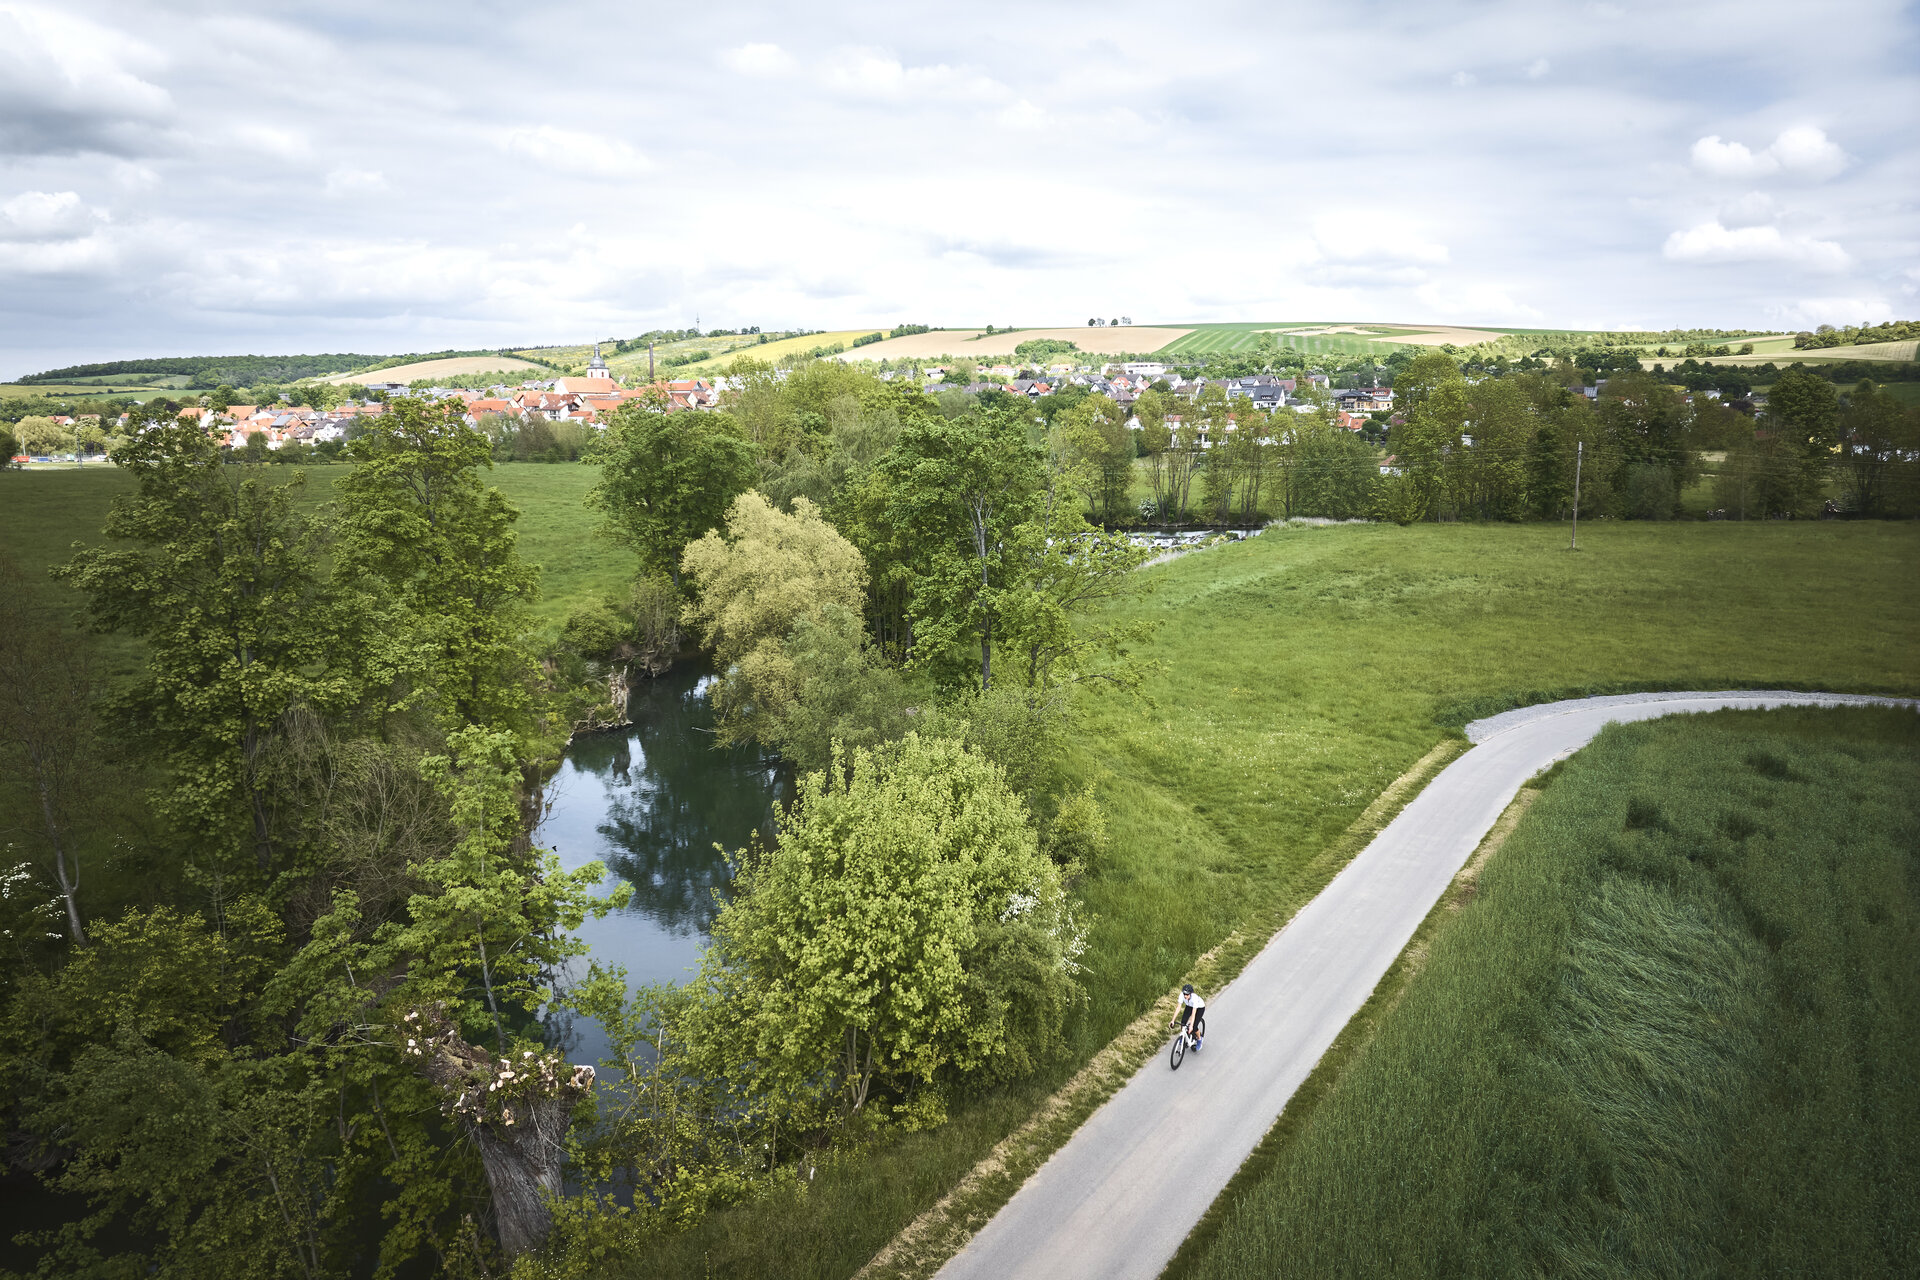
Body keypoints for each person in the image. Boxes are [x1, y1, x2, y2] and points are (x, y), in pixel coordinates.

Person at [1173, 983, 1206, 1050]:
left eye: (1187, 994)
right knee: (1183, 1022)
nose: (1185, 996)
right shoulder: (1182, 995)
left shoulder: (1194, 999)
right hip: (1189, 1006)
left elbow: (1193, 1013)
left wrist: (1191, 1026)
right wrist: (1173, 1020)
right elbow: (1178, 1008)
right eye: (1184, 994)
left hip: (1199, 1008)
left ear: (1191, 994)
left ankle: (1199, 1039)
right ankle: (1183, 1037)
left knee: (1194, 1026)